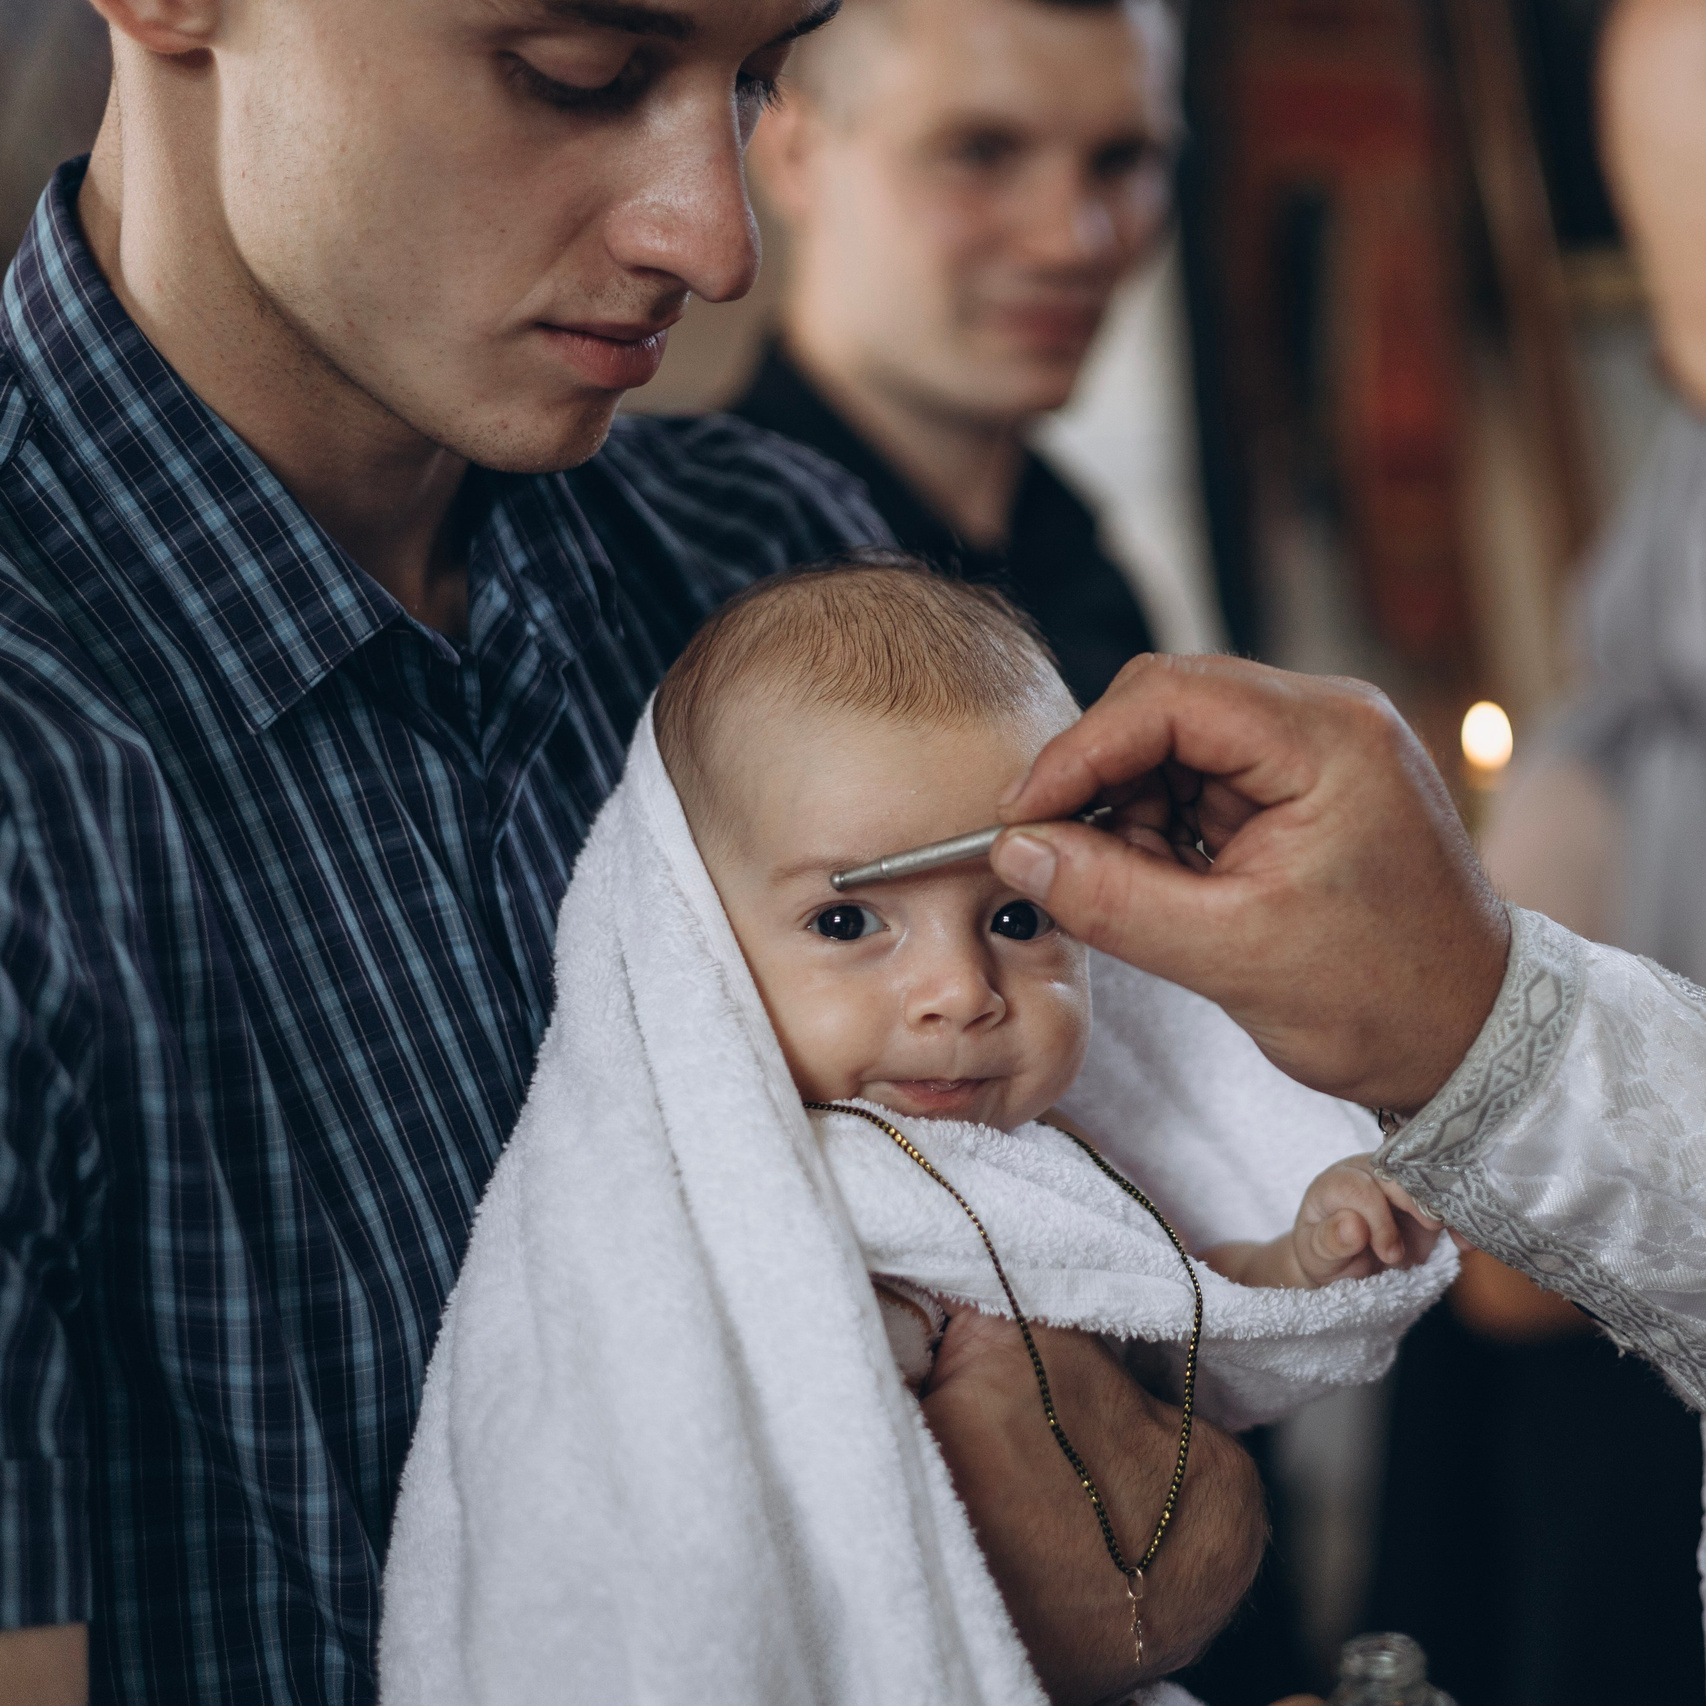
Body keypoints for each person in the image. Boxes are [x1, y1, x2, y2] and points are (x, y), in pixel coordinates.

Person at [0, 2, 1270, 1703]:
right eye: (576, 72)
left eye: (754, 78)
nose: (718, 239)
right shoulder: (38, 763)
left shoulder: (779, 571)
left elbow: (1167, 1501)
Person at [378, 560, 1449, 1706]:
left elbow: (1165, 1312)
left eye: (1015, 915)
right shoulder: (725, 1198)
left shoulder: (1052, 1161)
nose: (956, 990)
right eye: (846, 920)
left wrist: (1295, 1259)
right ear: (699, 946)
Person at [732, 0, 1183, 707]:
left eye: (1121, 159)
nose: (1075, 241)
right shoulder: (698, 586)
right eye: (981, 151)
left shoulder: (1085, 570)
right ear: (796, 155)